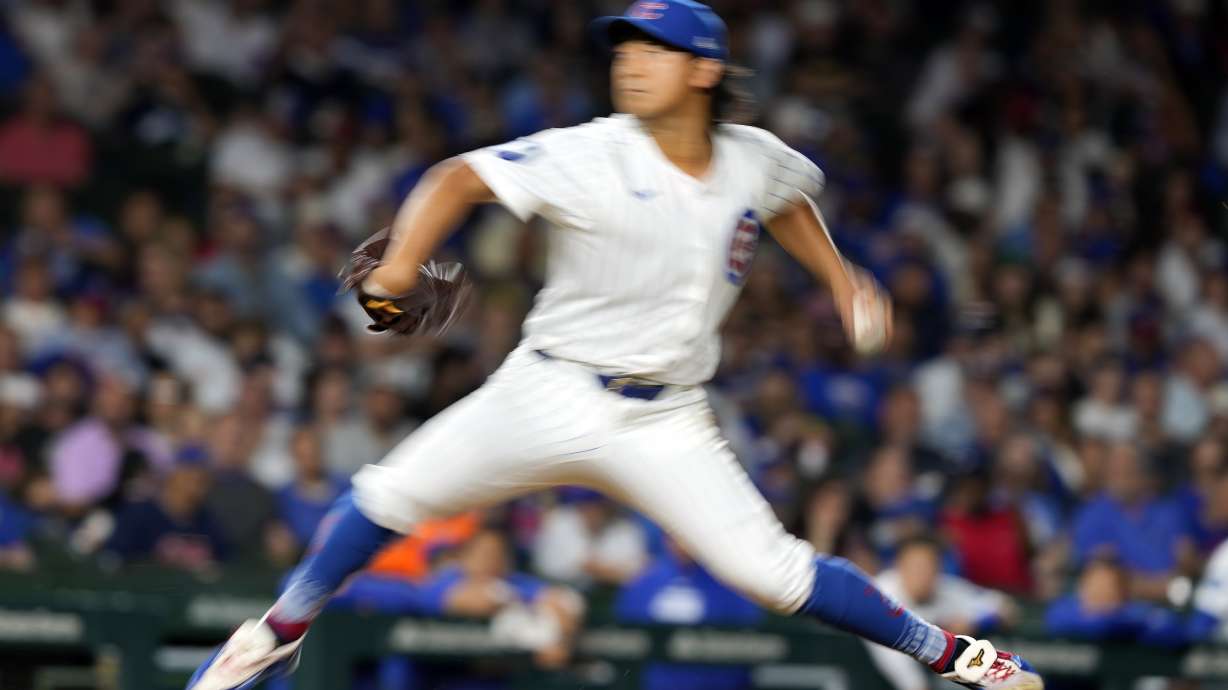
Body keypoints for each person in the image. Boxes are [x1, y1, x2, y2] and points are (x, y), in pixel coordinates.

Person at [187, 3, 1041, 689]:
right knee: (384, 495)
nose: (629, 61)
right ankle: (276, 634)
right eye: (623, 48)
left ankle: (959, 657)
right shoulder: (589, 151)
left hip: (664, 418)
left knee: (776, 577)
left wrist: (841, 277)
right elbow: (456, 177)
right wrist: (402, 265)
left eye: (655, 50)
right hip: (547, 390)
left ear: (704, 71)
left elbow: (785, 200)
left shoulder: (752, 158)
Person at [865, 537, 1018, 690]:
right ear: (899, 567)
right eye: (915, 566)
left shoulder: (944, 588)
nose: (922, 574)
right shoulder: (881, 595)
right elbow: (896, 663)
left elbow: (1001, 604)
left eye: (929, 566)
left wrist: (974, 622)